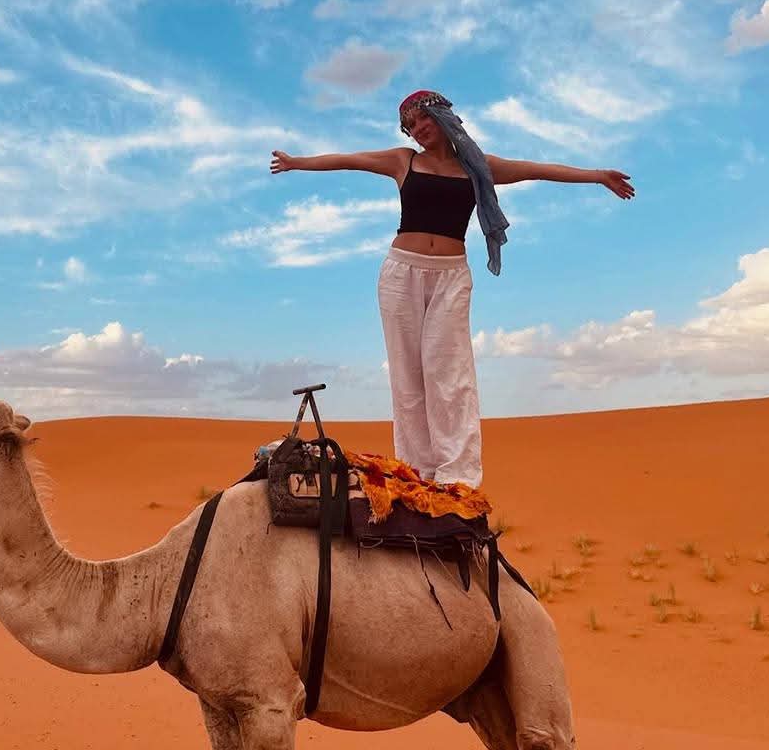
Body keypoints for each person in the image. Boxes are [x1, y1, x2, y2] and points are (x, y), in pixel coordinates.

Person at [271, 89, 634, 488]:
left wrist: (597, 176)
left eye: (422, 119)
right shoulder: (403, 161)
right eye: (410, 126)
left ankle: (457, 475)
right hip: (401, 274)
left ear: (442, 116)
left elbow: (535, 169)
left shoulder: (477, 167)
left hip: (451, 276)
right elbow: (348, 160)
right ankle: (416, 470)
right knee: (407, 376)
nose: (417, 130)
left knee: (449, 372)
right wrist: (296, 163)